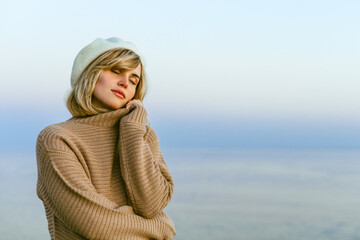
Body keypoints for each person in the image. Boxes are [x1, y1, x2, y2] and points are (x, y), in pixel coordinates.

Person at [35, 37, 176, 240]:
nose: (125, 83)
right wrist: (162, 227)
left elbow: (151, 205)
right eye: (116, 71)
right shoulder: (57, 139)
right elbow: (95, 223)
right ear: (91, 73)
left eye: (134, 80)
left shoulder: (143, 135)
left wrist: (131, 129)